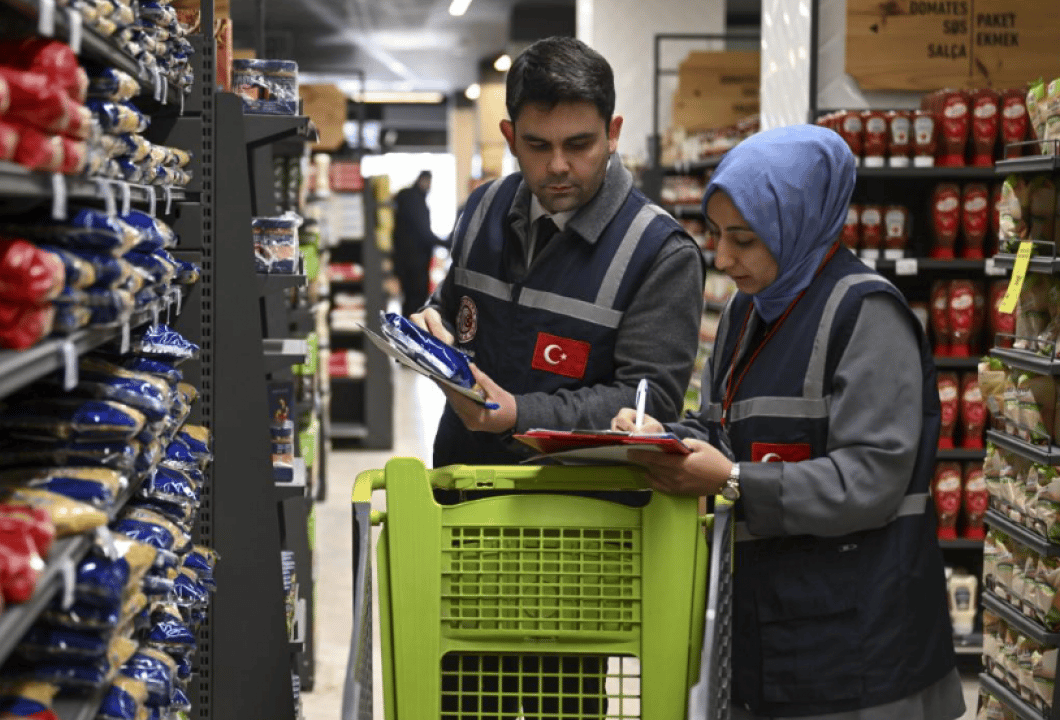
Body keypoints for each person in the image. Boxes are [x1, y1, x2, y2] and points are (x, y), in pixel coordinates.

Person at [611, 124, 964, 720]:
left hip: (862, 648)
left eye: (744, 239)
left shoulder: (867, 315)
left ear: (799, 223)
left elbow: (872, 478)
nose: (723, 258)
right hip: (774, 630)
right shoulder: (746, 313)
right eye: (717, 234)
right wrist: (667, 440)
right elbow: (722, 427)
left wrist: (732, 481)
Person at [409, 35, 704, 719]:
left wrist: (521, 414)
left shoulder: (659, 252)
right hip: (461, 512)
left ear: (613, 132)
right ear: (509, 135)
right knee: (460, 695)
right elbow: (453, 304)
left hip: (572, 539)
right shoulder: (483, 208)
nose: (559, 165)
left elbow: (648, 400)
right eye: (538, 146)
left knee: (559, 700)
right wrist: (430, 325)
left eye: (580, 143)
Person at [391, 170, 446, 316]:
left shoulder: (407, 198)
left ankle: (407, 327)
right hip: (415, 261)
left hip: (406, 260)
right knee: (416, 301)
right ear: (423, 180)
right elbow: (423, 232)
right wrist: (447, 243)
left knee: (409, 300)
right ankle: (412, 328)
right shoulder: (415, 200)